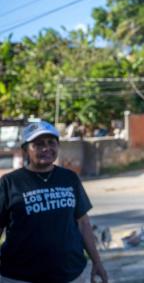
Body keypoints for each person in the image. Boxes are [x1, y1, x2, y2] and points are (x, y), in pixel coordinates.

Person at [0, 121, 108, 283]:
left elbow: (83, 223)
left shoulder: (69, 178)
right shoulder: (9, 183)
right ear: (25, 150)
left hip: (70, 274)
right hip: (20, 276)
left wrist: (97, 262)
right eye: (38, 144)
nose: (46, 148)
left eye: (51, 143)